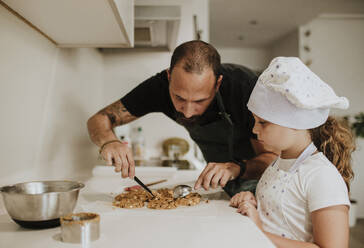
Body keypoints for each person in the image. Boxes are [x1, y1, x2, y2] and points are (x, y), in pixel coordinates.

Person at [87, 40, 279, 195]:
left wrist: (235, 168)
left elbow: (274, 159)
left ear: (218, 83)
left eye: (200, 101)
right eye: (179, 98)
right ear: (169, 76)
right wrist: (109, 142)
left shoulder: (245, 89)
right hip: (220, 183)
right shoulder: (159, 87)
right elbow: (99, 119)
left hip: (266, 183)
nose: (187, 112)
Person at [230, 57, 355, 247]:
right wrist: (253, 203)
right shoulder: (279, 163)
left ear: (297, 122)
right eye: (254, 121)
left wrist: (260, 232)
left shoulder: (321, 176)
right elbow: (281, 215)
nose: (254, 130)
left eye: (263, 122)